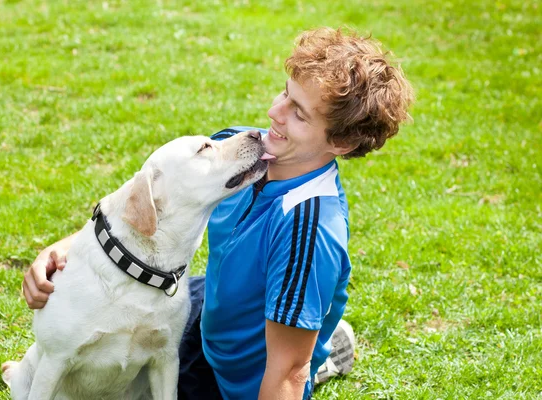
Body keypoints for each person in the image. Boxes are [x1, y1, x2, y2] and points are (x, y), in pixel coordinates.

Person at [22, 27, 413, 399]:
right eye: (284, 93)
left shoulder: (307, 230)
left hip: (234, 381)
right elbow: (155, 199)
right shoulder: (237, 150)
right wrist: (64, 248)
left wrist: (299, 371)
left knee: (282, 359)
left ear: (341, 141)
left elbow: (288, 370)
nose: (275, 111)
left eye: (299, 113)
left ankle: (320, 352)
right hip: (213, 304)